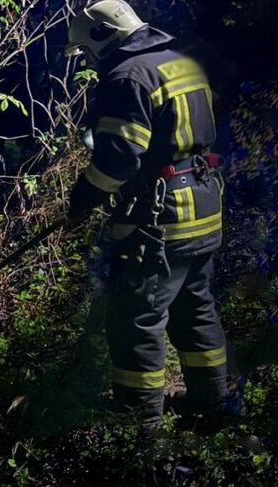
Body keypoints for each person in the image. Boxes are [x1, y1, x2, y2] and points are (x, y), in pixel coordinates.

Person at [65, 0, 228, 429]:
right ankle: (213, 405)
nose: (89, 61)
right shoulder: (180, 61)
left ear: (102, 35)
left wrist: (81, 200)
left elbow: (117, 162)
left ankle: (138, 428)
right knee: (196, 309)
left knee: (136, 319)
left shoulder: (127, 77)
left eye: (86, 51)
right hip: (204, 206)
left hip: (161, 220)